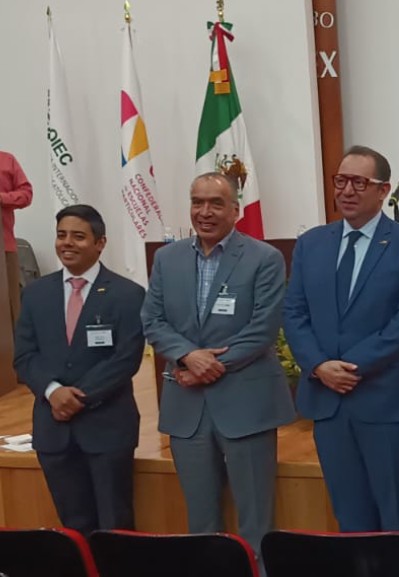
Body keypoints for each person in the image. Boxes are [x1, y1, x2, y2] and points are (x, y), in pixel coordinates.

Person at [141, 173, 294, 568]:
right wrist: (188, 357)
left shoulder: (264, 258)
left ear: (235, 210)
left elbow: (263, 328)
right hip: (186, 407)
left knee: (256, 521)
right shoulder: (167, 258)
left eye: (215, 203)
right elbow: (153, 320)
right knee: (201, 523)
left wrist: (210, 365)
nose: (204, 212)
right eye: (197, 202)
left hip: (247, 405)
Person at [283, 145, 399, 533]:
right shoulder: (311, 244)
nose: (347, 191)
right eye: (341, 181)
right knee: (349, 515)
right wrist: (318, 366)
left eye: (359, 182)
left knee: (394, 514)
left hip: (382, 398)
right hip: (327, 400)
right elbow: (294, 313)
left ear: (382, 191)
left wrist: (350, 367)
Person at [14, 204, 144, 535]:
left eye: (78, 236)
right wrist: (53, 392)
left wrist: (78, 398)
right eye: (61, 235)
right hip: (53, 431)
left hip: (107, 429)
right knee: (73, 528)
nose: (67, 243)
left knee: (115, 527)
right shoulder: (36, 293)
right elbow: (25, 355)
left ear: (100, 243)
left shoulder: (128, 294)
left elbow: (126, 358)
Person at [0, 150, 33, 323]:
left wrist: (3, 198)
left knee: (10, 309)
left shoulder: (7, 160)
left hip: (4, 249)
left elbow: (26, 195)